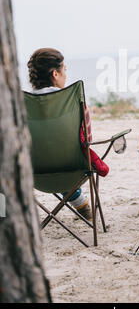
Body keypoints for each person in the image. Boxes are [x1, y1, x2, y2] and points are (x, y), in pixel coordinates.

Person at [27, 48, 109, 221]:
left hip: (32, 173)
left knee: (47, 151)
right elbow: (87, 142)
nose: (66, 74)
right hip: (73, 171)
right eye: (65, 69)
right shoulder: (75, 103)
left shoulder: (20, 104)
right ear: (55, 73)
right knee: (60, 153)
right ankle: (79, 200)